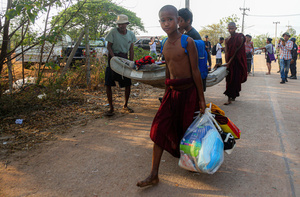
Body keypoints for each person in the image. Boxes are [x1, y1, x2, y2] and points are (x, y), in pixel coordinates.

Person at [137, 5, 206, 187]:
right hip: (172, 92)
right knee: (159, 129)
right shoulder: (164, 44)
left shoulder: (187, 42)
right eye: (163, 20)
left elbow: (195, 71)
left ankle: (194, 163)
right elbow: (168, 70)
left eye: (170, 19)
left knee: (187, 131)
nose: (166, 23)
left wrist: (201, 99)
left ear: (178, 20)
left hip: (188, 93)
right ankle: (153, 174)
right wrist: (166, 93)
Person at [104, 14, 136, 116]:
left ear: (127, 24)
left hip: (124, 59)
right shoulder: (113, 32)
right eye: (119, 24)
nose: (121, 26)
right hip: (113, 58)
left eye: (123, 24)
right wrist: (113, 58)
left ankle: (125, 105)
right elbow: (109, 47)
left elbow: (131, 49)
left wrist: (131, 62)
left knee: (127, 83)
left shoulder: (131, 34)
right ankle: (111, 108)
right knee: (108, 83)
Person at [224, 22, 247, 105]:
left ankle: (233, 95)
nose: (230, 30)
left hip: (237, 62)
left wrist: (229, 62)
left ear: (236, 28)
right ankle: (229, 98)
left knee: (236, 79)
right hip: (229, 63)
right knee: (229, 79)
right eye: (229, 28)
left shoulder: (240, 37)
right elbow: (226, 52)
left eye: (232, 28)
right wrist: (226, 62)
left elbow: (236, 51)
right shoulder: (227, 39)